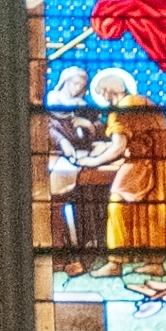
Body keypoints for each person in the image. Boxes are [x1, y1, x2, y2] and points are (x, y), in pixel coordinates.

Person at [97, 69, 166, 268]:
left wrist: (93, 161)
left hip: (141, 163)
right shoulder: (145, 101)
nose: (103, 97)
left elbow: (119, 146)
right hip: (162, 163)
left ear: (109, 91)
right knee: (154, 209)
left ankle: (115, 262)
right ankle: (154, 263)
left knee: (117, 204)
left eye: (102, 92)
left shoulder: (121, 110)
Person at [45, 70, 119, 271]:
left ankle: (96, 249)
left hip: (87, 158)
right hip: (62, 161)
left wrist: (90, 127)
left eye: (82, 84)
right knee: (70, 203)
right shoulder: (51, 104)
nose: (78, 88)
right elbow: (48, 130)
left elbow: (102, 130)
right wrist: (63, 143)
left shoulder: (85, 107)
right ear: (65, 82)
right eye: (75, 83)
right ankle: (71, 254)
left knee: (98, 198)